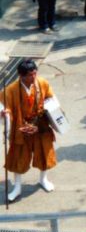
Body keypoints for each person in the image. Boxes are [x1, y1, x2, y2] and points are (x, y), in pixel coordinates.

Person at [0, 60, 58, 202]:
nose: (33, 77)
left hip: (41, 126)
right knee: (17, 158)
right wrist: (3, 112)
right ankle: (17, 187)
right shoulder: (10, 90)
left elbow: (53, 99)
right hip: (21, 128)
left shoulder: (42, 83)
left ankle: (43, 180)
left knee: (45, 154)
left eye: (35, 73)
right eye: (30, 75)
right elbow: (2, 106)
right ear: (21, 75)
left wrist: (49, 107)